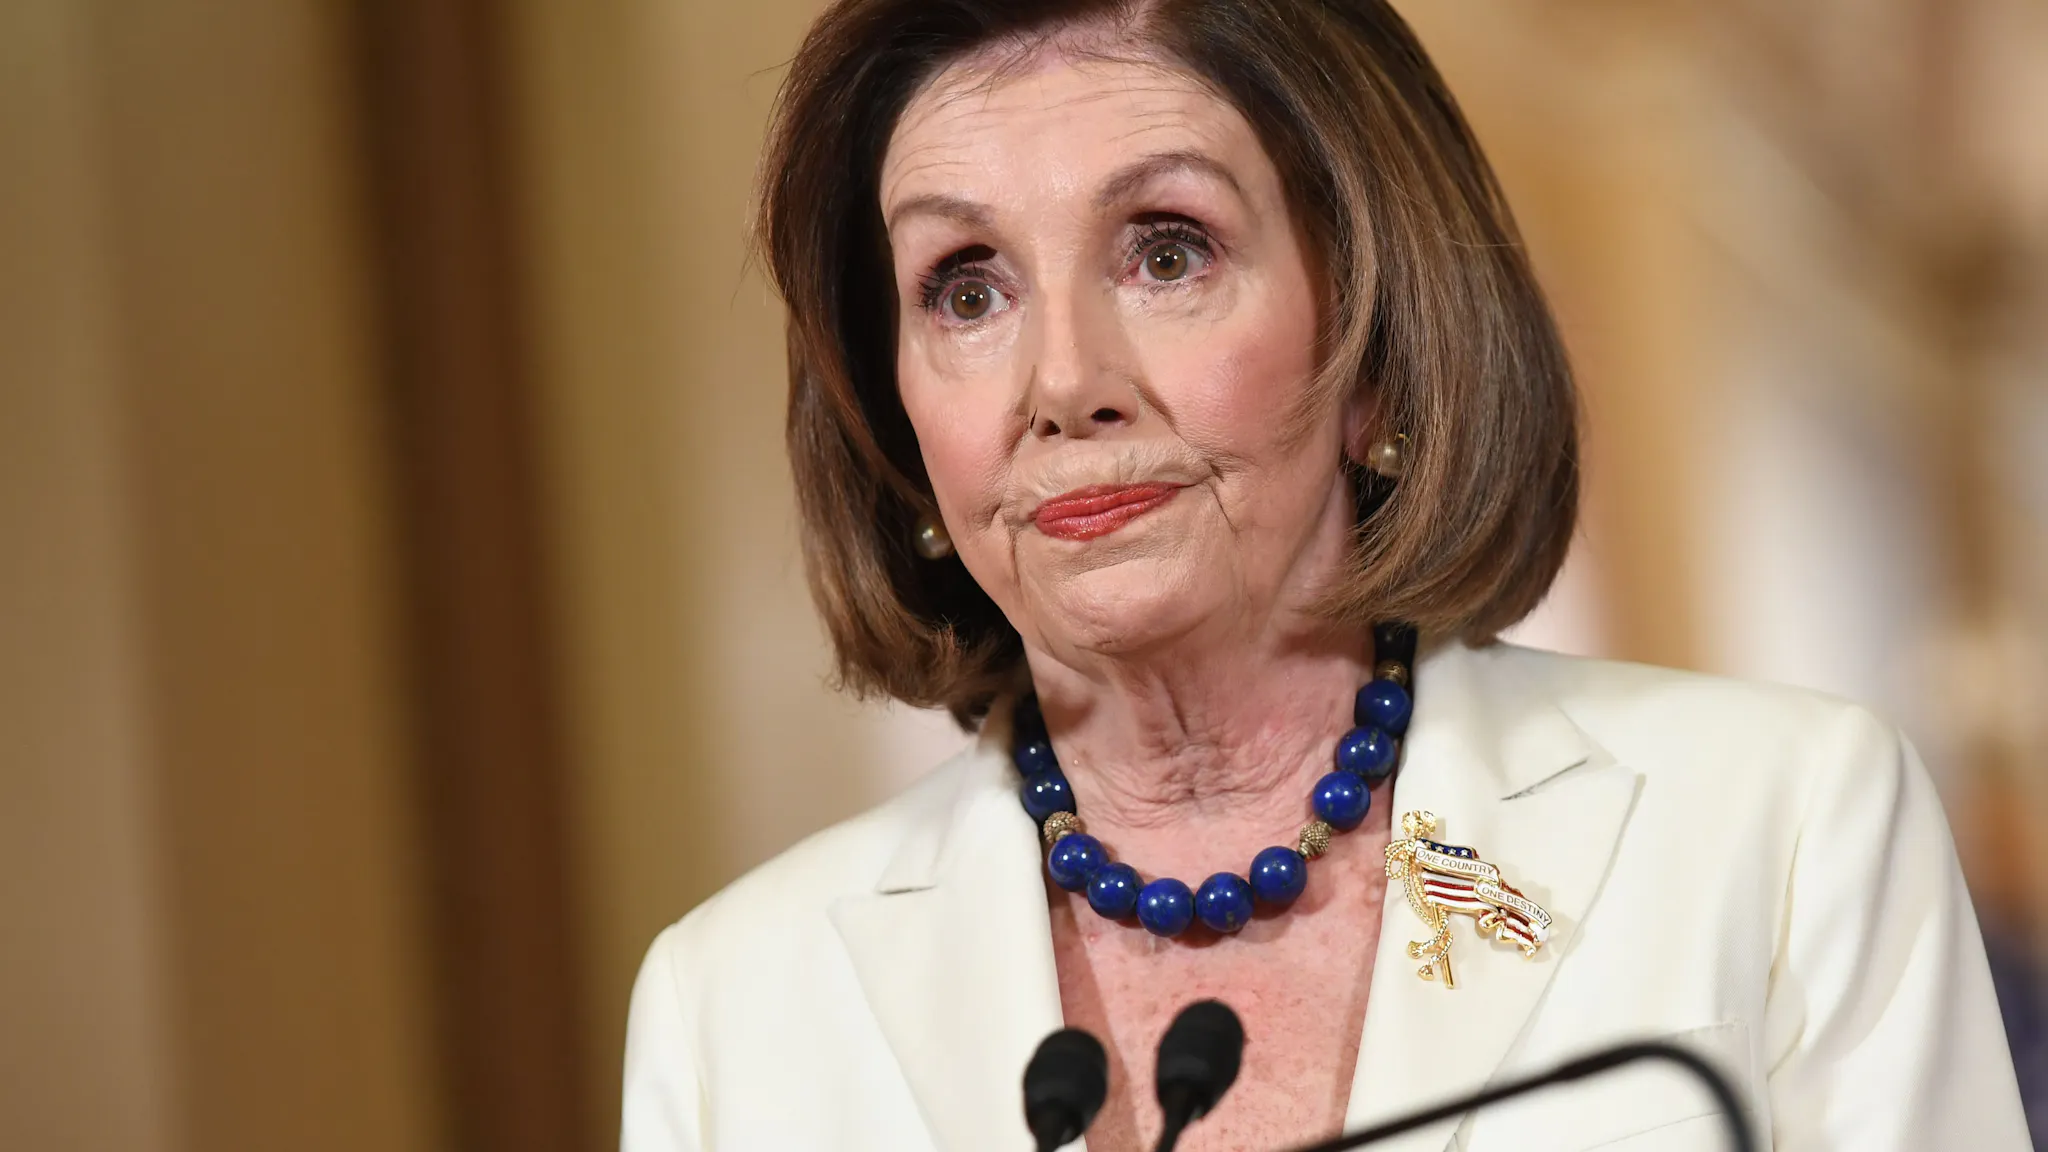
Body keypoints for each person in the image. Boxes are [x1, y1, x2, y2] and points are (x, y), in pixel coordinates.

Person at [621, 1, 2031, 1149]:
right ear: (897, 416)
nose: (1062, 382)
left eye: (1167, 252)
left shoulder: (1783, 828)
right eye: (967, 287)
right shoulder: (736, 1004)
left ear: (1372, 341)